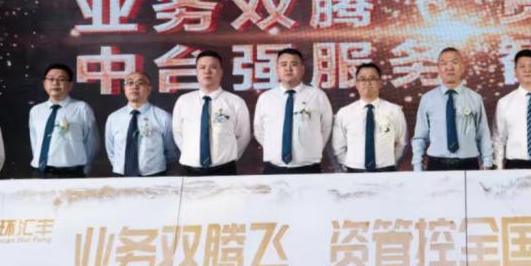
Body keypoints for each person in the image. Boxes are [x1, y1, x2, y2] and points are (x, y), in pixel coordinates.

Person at [253, 47, 333, 175]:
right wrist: (274, 148)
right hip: (274, 168)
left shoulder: (317, 96)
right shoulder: (266, 98)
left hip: (308, 168)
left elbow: (326, 127)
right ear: (277, 69)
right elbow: (259, 130)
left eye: (294, 64)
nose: (288, 68)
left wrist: (310, 150)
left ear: (302, 69)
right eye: (283, 64)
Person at [411, 47, 493, 171]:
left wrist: (487, 163)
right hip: (436, 164)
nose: (449, 67)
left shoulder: (475, 98)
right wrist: (417, 166)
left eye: (454, 62)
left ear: (462, 67)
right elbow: (420, 136)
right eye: (444, 63)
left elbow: (483, 134)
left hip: (468, 163)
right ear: (438, 68)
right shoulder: (427, 99)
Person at [172, 49, 251, 175]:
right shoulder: (184, 101)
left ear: (221, 72)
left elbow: (243, 136)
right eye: (202, 67)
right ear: (196, 72)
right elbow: (178, 133)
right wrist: (192, 155)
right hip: (189, 170)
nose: (207, 71)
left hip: (224, 169)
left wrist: (228, 157)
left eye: (213, 67)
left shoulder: (235, 102)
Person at [331, 62, 407, 172]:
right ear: (356, 84)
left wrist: (389, 162)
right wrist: (351, 165)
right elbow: (338, 148)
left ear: (380, 83)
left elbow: (401, 143)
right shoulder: (344, 113)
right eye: (362, 79)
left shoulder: (394, 111)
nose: (367, 83)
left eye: (372, 78)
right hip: (354, 170)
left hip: (386, 170)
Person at [28, 62, 98, 177]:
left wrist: (85, 168)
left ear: (70, 85)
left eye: (61, 79)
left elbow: (92, 142)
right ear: (44, 84)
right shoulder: (36, 110)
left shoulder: (81, 108)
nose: (55, 83)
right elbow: (35, 141)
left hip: (71, 173)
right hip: (40, 172)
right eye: (51, 79)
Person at [103, 71, 179, 177]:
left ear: (149, 89)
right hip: (121, 176)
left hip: (153, 176)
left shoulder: (163, 117)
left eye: (140, 83)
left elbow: (171, 152)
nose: (134, 86)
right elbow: (111, 151)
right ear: (124, 88)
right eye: (130, 83)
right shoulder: (114, 118)